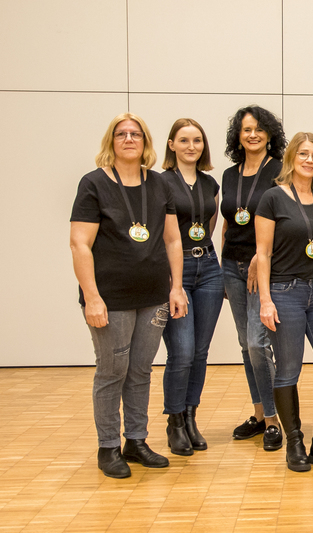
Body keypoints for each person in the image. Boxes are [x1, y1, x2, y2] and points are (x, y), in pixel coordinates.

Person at [70, 113, 188, 478]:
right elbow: (79, 244)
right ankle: (108, 447)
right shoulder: (93, 184)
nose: (128, 138)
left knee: (140, 371)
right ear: (111, 141)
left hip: (153, 296)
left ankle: (136, 441)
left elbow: (173, 239)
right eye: (121, 133)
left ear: (146, 142)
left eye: (135, 133)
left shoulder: (160, 184)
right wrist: (92, 297)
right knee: (112, 371)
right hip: (111, 299)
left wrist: (176, 286)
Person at [255, 132, 313, 473]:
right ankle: (294, 443)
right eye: (304, 153)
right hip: (285, 291)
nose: (310, 160)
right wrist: (265, 300)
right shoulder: (272, 198)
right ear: (292, 157)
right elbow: (263, 253)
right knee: (288, 370)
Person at [220, 105, 286, 450]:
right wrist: (224, 264)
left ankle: (275, 419)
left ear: (270, 134)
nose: (253, 135)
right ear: (238, 135)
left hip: (262, 265)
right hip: (231, 266)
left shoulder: (280, 171)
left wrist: (262, 262)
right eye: (246, 129)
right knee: (246, 344)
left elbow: (286, 220)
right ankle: (260, 415)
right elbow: (229, 222)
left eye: (259, 129)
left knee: (259, 343)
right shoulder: (229, 175)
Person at [160, 118, 225, 456]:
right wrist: (173, 279)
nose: (191, 146)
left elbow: (209, 228)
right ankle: (174, 420)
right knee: (182, 351)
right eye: (183, 140)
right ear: (171, 145)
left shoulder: (210, 183)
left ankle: (190, 416)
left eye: (197, 140)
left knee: (200, 351)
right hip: (177, 271)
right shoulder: (160, 183)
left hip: (209, 268)